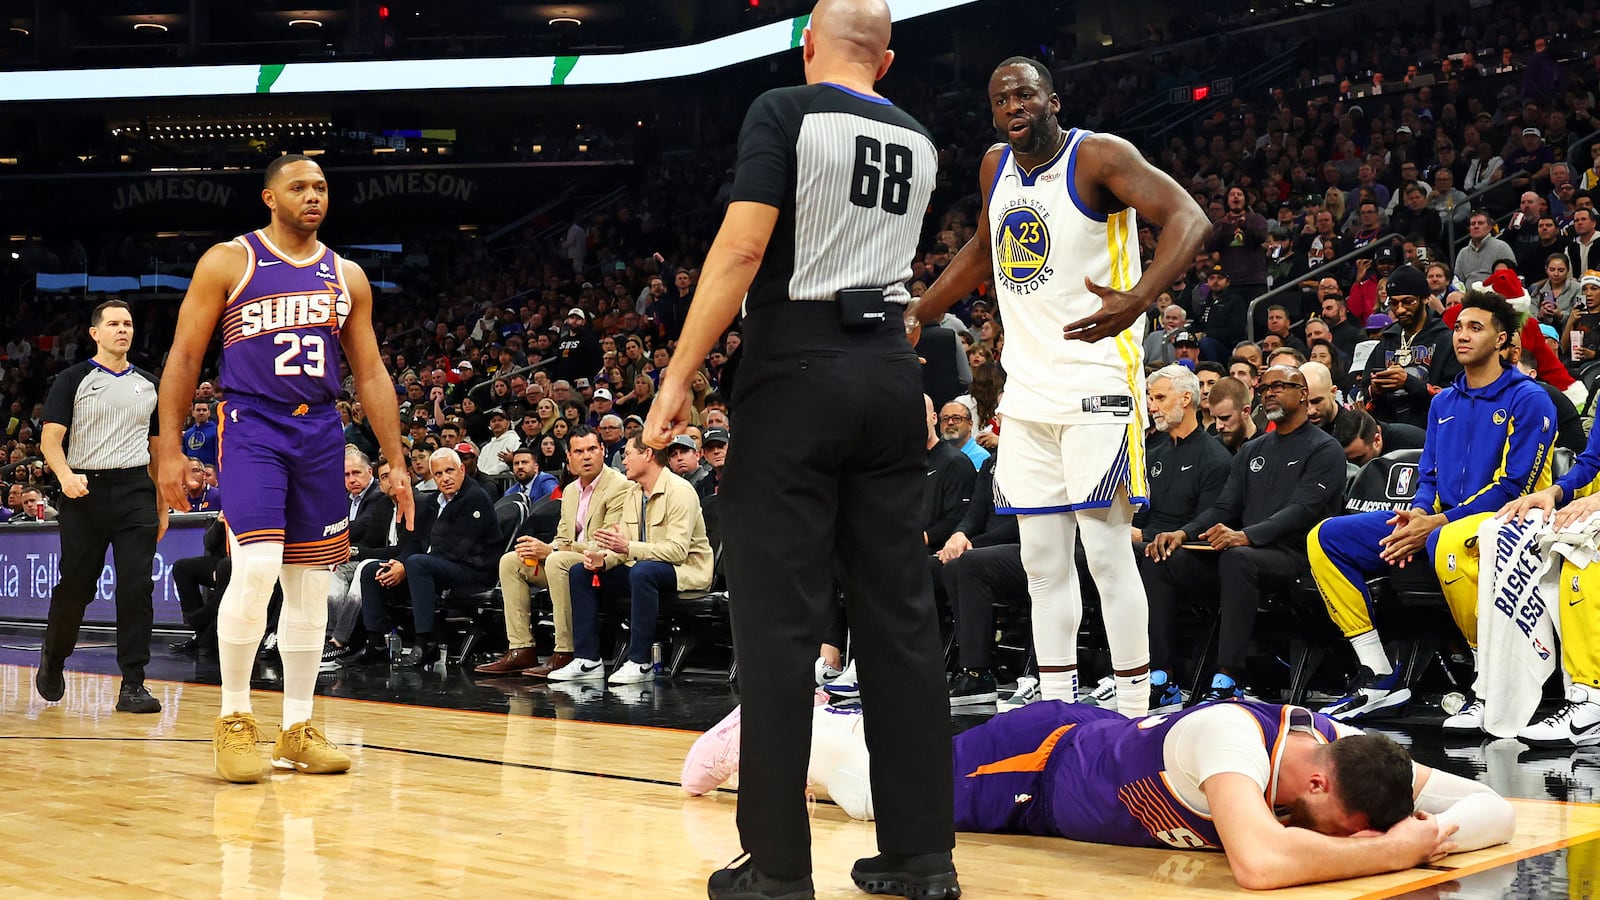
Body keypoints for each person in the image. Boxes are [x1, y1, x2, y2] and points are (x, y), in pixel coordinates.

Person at [641, 1, 959, 894]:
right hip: (894, 375)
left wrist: (676, 381)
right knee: (901, 623)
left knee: (780, 625)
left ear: (807, 45)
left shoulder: (784, 110)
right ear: (887, 61)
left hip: (796, 367)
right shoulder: (924, 142)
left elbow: (743, 248)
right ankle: (921, 857)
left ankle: (776, 870)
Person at [908, 54, 1209, 719]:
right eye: (1000, 100)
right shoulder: (996, 166)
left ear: (1052, 99)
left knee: (1104, 554)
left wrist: (1139, 297)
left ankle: (1134, 711)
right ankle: (1055, 708)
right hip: (1025, 393)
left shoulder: (1098, 156)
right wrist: (919, 312)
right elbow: (984, 251)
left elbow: (1188, 217)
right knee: (1042, 560)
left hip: (1098, 381)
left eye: (1024, 94)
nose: (1012, 107)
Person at [155, 154, 414, 783]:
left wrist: (396, 458)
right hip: (252, 424)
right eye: (298, 186)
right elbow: (186, 354)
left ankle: (297, 727)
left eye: (321, 186)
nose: (313, 195)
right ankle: (235, 719)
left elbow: (372, 371)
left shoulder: (346, 275)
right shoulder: (229, 260)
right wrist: (167, 448)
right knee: (259, 565)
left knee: (310, 582)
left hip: (321, 428)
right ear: (269, 197)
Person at [683, 699, 1515, 891]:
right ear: (1317, 777)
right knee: (875, 801)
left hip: (1089, 753)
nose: (1319, 832)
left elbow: (1499, 811)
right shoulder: (1234, 740)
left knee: (876, 786)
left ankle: (801, 742)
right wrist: (1401, 851)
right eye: (1320, 819)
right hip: (1040, 768)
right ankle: (782, 722)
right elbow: (1262, 866)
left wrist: (1417, 831)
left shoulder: (1354, 754)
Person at [1308, 289, 1556, 722]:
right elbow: (1429, 475)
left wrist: (1436, 522)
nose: (1461, 335)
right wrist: (1419, 513)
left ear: (1501, 340)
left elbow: (1516, 486)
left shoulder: (1529, 398)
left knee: (1448, 543)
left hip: (1512, 521)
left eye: (1475, 328)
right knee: (1326, 537)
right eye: (1458, 327)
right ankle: (1377, 674)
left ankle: (1489, 682)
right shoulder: (1443, 401)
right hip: (1444, 522)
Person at [1145, 365, 1345, 704]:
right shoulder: (1253, 450)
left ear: (1304, 394)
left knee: (1238, 559)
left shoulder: (1325, 449)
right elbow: (1224, 507)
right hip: (1244, 555)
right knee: (1161, 557)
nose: (1269, 392)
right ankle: (1161, 678)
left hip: (1296, 556)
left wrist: (1246, 536)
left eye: (1280, 386)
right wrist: (1183, 532)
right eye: (1265, 387)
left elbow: (1302, 511)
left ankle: (1229, 679)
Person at [36, 299, 165, 714]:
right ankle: (54, 659)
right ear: (95, 333)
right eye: (113, 323)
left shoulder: (148, 383)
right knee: (76, 587)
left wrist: (161, 503)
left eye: (128, 323)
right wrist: (65, 476)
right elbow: (50, 441)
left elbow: (158, 450)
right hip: (84, 491)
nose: (122, 329)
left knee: (135, 588)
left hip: (134, 489)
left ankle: (133, 684)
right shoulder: (72, 379)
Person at [552, 436, 714, 682]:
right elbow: (622, 546)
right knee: (581, 572)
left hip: (685, 571)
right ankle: (587, 659)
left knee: (642, 571)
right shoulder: (633, 493)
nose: (623, 460)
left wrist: (627, 547)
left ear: (647, 454)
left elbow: (677, 552)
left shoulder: (680, 491)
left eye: (628, 454)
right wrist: (603, 559)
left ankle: (640, 661)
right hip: (644, 570)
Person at [473, 426, 631, 677]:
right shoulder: (569, 491)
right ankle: (521, 648)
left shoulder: (620, 486)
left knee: (557, 560)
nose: (586, 456)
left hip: (602, 565)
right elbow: (562, 537)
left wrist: (552, 549)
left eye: (592, 449)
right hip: (567, 561)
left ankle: (565, 651)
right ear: (569, 457)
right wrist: (543, 550)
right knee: (511, 561)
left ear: (603, 450)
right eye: (579, 451)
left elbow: (607, 544)